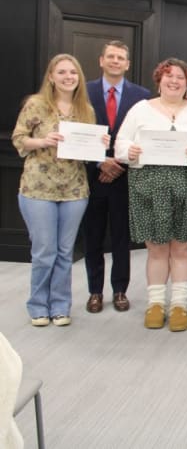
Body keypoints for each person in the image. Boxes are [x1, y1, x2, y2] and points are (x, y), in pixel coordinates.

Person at [115, 58, 187, 332]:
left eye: (180, 78)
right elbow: (120, 145)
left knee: (183, 248)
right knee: (157, 248)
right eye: (168, 76)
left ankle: (179, 306)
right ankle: (156, 304)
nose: (174, 81)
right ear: (159, 80)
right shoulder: (140, 110)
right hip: (149, 185)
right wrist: (130, 151)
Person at [12, 54, 104, 327]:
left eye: (73, 73)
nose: (68, 77)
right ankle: (38, 305)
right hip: (38, 188)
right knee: (44, 251)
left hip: (75, 190)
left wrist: (100, 144)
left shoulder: (85, 109)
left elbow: (88, 155)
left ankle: (61, 306)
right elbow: (18, 139)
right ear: (51, 76)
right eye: (62, 72)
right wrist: (43, 140)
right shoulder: (36, 104)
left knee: (65, 252)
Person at [84, 40, 151, 314]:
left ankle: (120, 290)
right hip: (92, 174)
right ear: (101, 60)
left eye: (120, 57)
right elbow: (77, 131)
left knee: (122, 237)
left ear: (127, 64)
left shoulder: (142, 95)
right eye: (110, 56)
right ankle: (95, 292)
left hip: (125, 177)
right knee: (93, 237)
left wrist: (118, 161)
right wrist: (101, 161)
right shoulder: (83, 92)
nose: (115, 61)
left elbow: (143, 135)